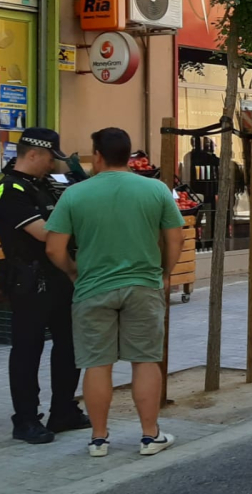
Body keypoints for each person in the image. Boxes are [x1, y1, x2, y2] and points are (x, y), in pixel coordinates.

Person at [45, 128, 185, 458]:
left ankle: (98, 439)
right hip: (143, 285)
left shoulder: (75, 194)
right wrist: (165, 273)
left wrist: (73, 271)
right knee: (145, 360)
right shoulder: (155, 189)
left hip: (93, 288)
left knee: (97, 364)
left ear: (98, 156)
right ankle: (150, 435)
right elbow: (175, 238)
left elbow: (53, 248)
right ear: (128, 156)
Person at [0, 128, 89, 444]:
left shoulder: (45, 185)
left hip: (60, 276)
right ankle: (25, 419)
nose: (54, 165)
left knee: (69, 345)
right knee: (28, 349)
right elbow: (45, 232)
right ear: (34, 153)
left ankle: (63, 410)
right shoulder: (10, 189)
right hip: (29, 281)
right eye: (51, 158)